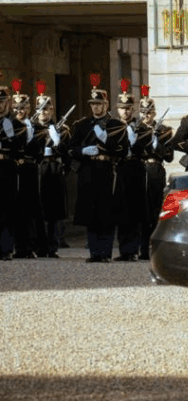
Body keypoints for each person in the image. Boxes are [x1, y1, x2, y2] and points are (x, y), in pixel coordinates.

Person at [70, 74, 128, 262]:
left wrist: (105, 139)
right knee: (90, 211)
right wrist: (83, 151)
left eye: (98, 104)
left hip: (105, 170)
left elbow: (122, 150)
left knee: (105, 212)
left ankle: (105, 252)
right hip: (87, 170)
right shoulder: (81, 125)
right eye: (93, 104)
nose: (95, 107)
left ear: (106, 105)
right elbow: (70, 149)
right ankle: (94, 252)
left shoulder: (116, 125)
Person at [111, 80, 148, 261]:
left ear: (132, 109)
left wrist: (136, 142)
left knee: (135, 210)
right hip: (121, 168)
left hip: (136, 168)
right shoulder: (112, 126)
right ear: (117, 109)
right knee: (121, 210)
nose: (125, 111)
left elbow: (147, 148)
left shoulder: (140, 127)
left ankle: (133, 249)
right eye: (122, 108)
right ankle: (123, 249)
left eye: (128, 108)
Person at [33, 82, 71, 258]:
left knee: (54, 210)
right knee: (38, 209)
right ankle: (40, 246)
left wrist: (58, 144)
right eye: (40, 109)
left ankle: (52, 246)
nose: (43, 113)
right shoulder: (31, 129)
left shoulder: (62, 129)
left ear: (52, 110)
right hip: (39, 169)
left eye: (46, 109)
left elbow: (68, 153)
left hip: (55, 169)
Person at [137, 87, 174, 260]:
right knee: (140, 211)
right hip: (140, 170)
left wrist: (157, 142)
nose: (146, 116)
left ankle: (154, 249)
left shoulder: (164, 130)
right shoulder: (135, 129)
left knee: (155, 211)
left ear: (154, 113)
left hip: (156, 170)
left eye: (149, 112)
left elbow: (169, 156)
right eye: (143, 112)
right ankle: (141, 249)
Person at [12, 81, 45, 258]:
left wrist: (31, 138)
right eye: (16, 108)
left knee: (31, 209)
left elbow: (39, 153)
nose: (19, 111)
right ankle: (18, 247)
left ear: (28, 108)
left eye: (23, 108)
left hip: (30, 169)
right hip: (13, 168)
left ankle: (31, 246)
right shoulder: (9, 125)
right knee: (15, 210)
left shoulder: (37, 127)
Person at [0, 81, 28, 260]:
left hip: (6, 168)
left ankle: (6, 248)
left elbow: (22, 150)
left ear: (7, 103)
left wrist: (11, 137)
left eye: (2, 101)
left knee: (6, 209)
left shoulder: (16, 124)